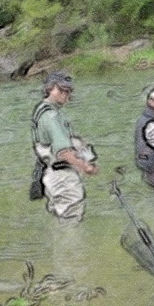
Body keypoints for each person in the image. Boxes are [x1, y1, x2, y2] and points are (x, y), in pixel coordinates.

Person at [31, 71, 98, 222]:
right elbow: (64, 152)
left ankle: (61, 245)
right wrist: (86, 167)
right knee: (72, 221)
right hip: (63, 178)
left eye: (68, 90)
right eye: (60, 89)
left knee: (61, 221)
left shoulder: (42, 110)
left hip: (51, 175)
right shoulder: (52, 117)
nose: (65, 93)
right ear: (49, 89)